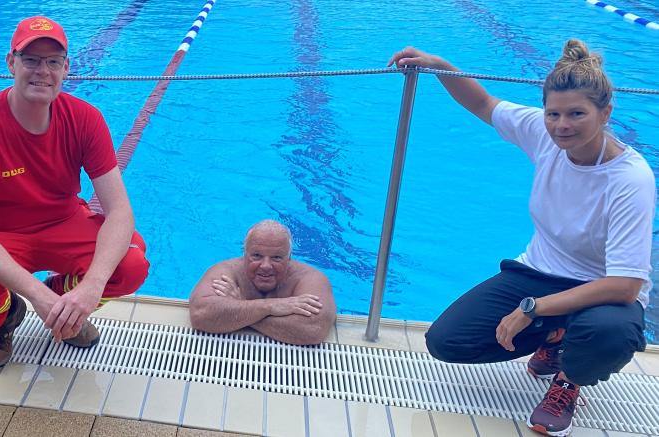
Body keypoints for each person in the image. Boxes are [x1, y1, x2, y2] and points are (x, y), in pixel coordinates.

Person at [388, 40, 654, 437]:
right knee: (448, 341)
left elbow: (626, 285)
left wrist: (533, 308)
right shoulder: (543, 134)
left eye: (577, 114)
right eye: (554, 114)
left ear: (605, 113)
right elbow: (482, 104)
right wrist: (439, 63)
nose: (562, 125)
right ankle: (556, 335)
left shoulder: (630, 178)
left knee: (610, 334)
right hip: (540, 272)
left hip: (605, 292)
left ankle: (568, 379)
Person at [0, 16, 150, 370]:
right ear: (12, 63)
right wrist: (36, 296)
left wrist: (89, 289)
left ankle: (68, 303)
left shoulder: (85, 119)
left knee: (129, 264)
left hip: (62, 223)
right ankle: (3, 320)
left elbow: (120, 212)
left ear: (66, 68)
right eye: (31, 60)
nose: (42, 71)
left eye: (53, 61)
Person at [188, 220, 336, 345]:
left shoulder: (309, 278)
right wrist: (270, 306)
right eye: (257, 256)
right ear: (245, 254)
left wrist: (240, 307)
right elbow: (200, 315)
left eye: (277, 257)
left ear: (289, 257)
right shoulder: (227, 270)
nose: (265, 266)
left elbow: (314, 329)